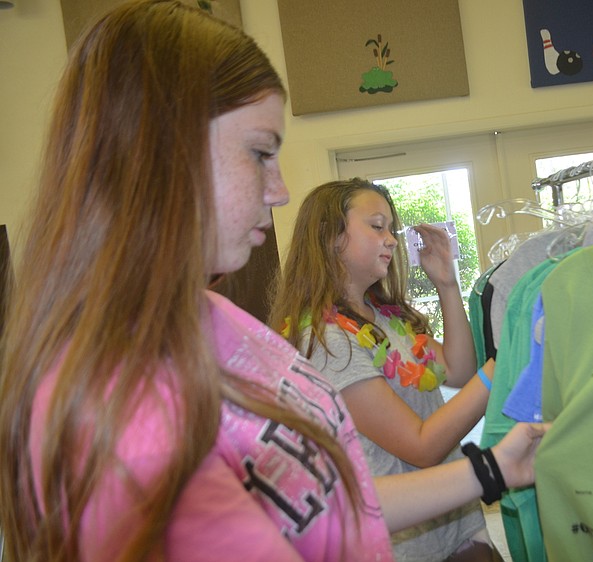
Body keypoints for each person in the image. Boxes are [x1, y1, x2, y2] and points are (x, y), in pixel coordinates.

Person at [0, 2, 548, 561]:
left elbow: (324, 504)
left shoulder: (214, 318)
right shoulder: (119, 404)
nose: (280, 190)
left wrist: (494, 467)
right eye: (260, 152)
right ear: (161, 151)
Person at [269, 178, 501, 560]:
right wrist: (503, 364)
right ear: (331, 237)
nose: (391, 239)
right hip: (405, 547)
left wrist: (445, 283)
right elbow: (422, 446)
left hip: (458, 526)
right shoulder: (325, 341)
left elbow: (459, 370)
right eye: (377, 226)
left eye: (392, 229)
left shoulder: (386, 318)